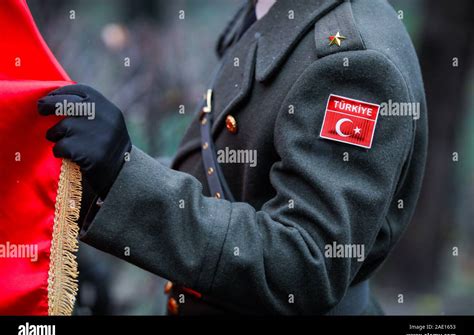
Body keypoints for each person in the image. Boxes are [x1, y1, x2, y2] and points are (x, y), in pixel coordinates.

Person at [37, 0, 428, 315]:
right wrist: (102, 173)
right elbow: (230, 172)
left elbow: (303, 266)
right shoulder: (273, 10)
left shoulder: (352, 61)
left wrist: (123, 173)